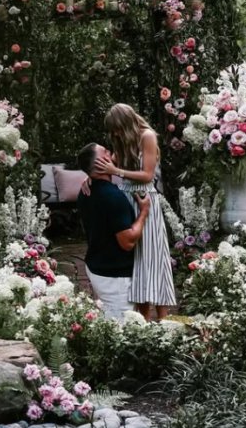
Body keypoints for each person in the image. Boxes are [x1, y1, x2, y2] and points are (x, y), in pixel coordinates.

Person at [93, 103, 177, 321]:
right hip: (127, 200)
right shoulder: (122, 140)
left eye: (117, 129)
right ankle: (142, 319)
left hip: (145, 199)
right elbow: (105, 165)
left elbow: (148, 175)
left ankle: (163, 319)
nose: (115, 134)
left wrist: (116, 171)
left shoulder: (147, 136)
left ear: (126, 122)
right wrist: (89, 178)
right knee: (136, 261)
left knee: (153, 258)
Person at [76, 142, 151, 320]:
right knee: (120, 329)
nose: (111, 153)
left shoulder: (86, 191)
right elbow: (128, 241)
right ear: (102, 162)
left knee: (107, 318)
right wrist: (144, 213)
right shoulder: (112, 196)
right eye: (106, 152)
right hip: (113, 275)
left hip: (97, 265)